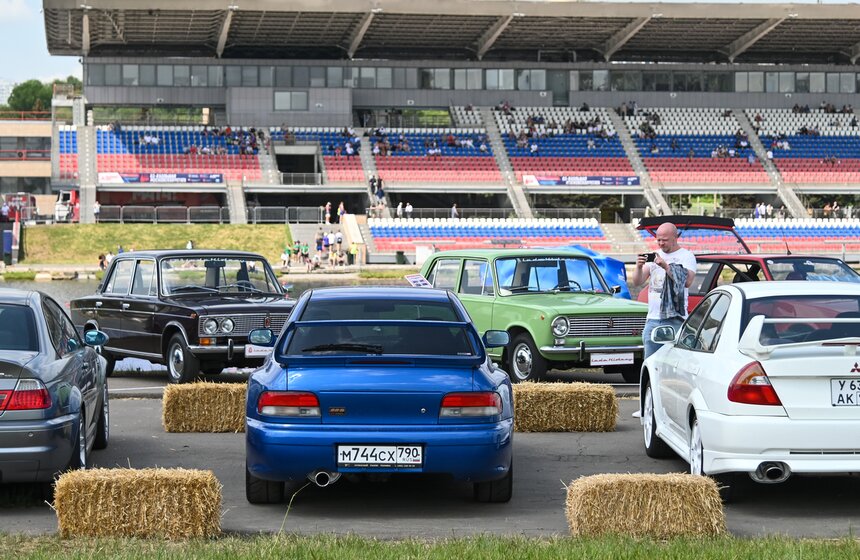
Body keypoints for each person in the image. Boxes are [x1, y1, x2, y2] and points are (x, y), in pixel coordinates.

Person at [630, 222, 697, 359]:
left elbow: (687, 282)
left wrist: (666, 266)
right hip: (653, 318)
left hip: (674, 319)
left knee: (675, 361)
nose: (661, 243)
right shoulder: (654, 255)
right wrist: (638, 267)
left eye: (664, 240)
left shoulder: (686, 256)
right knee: (650, 362)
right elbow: (637, 282)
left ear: (675, 238)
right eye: (658, 240)